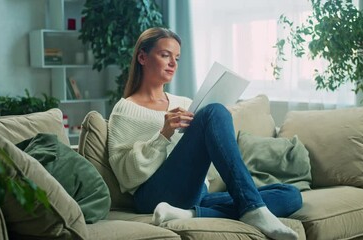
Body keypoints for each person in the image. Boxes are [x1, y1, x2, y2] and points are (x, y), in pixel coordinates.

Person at [108, 27, 302, 240]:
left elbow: (203, 164)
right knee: (214, 112)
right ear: (143, 57)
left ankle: (190, 214)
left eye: (177, 58)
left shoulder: (183, 103)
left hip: (195, 194)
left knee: (290, 195)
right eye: (165, 55)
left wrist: (216, 126)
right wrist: (163, 135)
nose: (173, 63)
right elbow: (125, 176)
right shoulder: (124, 109)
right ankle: (252, 208)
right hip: (152, 195)